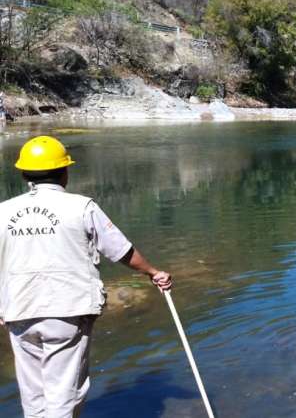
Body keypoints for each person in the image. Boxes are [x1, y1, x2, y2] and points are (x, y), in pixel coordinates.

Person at [0, 136, 173, 418]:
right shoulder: (81, 207)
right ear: (65, 171)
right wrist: (153, 273)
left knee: (34, 394)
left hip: (18, 309)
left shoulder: (3, 211)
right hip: (67, 309)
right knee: (64, 393)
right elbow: (121, 251)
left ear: (23, 173)